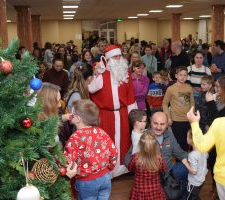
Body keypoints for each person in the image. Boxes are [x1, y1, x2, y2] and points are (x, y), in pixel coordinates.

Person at [89, 45, 137, 177]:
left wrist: (133, 115)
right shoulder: (101, 71)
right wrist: (98, 73)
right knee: (106, 142)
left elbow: (130, 94)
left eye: (119, 56)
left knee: (124, 142)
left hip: (122, 113)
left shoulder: (125, 72)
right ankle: (107, 170)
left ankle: (123, 169)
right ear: (109, 58)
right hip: (105, 114)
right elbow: (92, 89)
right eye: (115, 56)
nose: (118, 58)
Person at [64, 99, 118, 200]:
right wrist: (110, 167)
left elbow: (67, 160)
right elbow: (113, 151)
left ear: (78, 119)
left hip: (86, 182)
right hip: (105, 177)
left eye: (72, 112)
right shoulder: (101, 132)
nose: (69, 114)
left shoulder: (75, 138)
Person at [163, 66, 194, 151]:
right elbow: (165, 104)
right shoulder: (171, 89)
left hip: (187, 120)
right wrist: (168, 117)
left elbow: (192, 103)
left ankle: (185, 162)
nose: (183, 77)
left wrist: (192, 116)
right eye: (180, 75)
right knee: (178, 143)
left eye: (185, 75)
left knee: (187, 143)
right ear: (176, 76)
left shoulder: (189, 88)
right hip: (176, 120)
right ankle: (180, 162)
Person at [128, 131, 166, 200]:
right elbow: (164, 169)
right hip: (155, 190)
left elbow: (130, 168)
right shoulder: (159, 158)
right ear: (155, 146)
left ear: (140, 145)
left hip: (139, 190)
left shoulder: (135, 158)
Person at [182, 129, 208, 200]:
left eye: (187, 137)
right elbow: (206, 157)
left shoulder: (192, 155)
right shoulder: (204, 150)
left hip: (194, 183)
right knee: (195, 195)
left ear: (192, 140)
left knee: (188, 198)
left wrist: (186, 163)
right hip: (202, 180)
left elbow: (194, 171)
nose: (186, 138)